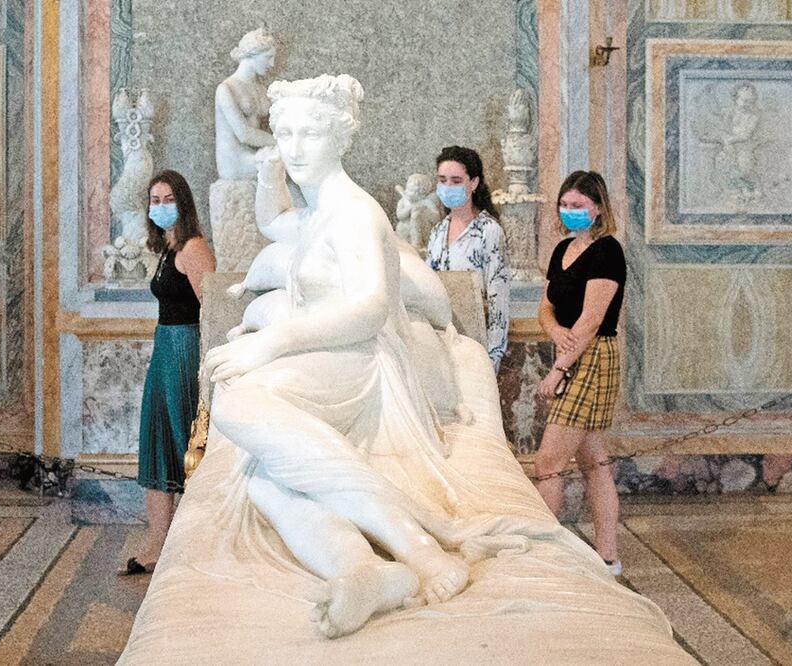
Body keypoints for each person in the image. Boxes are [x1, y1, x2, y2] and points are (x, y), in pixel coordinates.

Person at [204, 75, 544, 639]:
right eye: (284, 134)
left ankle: (422, 546)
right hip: (327, 359)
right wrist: (268, 177)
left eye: (310, 133)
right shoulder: (317, 213)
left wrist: (269, 341)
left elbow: (369, 309)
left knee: (237, 406)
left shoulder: (356, 212)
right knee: (264, 479)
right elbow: (274, 223)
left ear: (341, 137)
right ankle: (361, 570)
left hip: (360, 364)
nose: (294, 148)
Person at [120, 170, 215, 575]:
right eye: (154, 200)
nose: (160, 207)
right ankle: (156, 544)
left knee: (186, 442)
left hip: (185, 349)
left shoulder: (193, 248)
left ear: (183, 203)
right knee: (157, 439)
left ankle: (193, 544)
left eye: (168, 199)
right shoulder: (168, 247)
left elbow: (211, 309)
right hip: (165, 346)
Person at [534, 170, 626, 576]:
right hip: (569, 350)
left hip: (592, 357)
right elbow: (546, 306)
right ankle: (608, 557)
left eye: (578, 205)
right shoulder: (563, 249)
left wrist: (558, 370)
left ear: (598, 208)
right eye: (564, 204)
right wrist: (555, 331)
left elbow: (590, 322)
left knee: (547, 462)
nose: (569, 211)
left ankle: (542, 555)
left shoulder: (608, 252)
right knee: (594, 461)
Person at [425, 146, 511, 371]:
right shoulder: (437, 232)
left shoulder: (488, 231)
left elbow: (499, 298)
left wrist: (493, 358)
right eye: (442, 180)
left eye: (456, 181)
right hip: (439, 345)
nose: (447, 187)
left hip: (475, 345)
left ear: (473, 183)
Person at [214, 26, 277, 180]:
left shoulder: (262, 90)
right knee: (286, 160)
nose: (272, 64)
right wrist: (281, 143)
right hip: (234, 163)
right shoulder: (226, 88)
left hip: (256, 155)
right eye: (268, 57)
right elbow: (244, 134)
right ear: (252, 54)